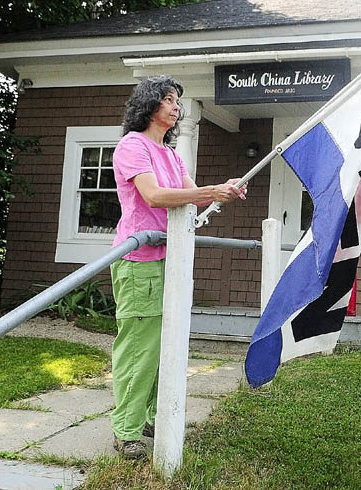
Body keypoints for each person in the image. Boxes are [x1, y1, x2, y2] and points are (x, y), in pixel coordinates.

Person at [109, 75, 246, 459]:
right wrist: (210, 190)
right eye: (168, 99)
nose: (175, 106)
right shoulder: (131, 146)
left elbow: (193, 198)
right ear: (149, 105)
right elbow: (153, 196)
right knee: (140, 349)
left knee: (164, 346)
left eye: (177, 101)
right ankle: (126, 431)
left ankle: (149, 417)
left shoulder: (170, 154)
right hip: (140, 263)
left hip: (170, 260)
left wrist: (226, 188)